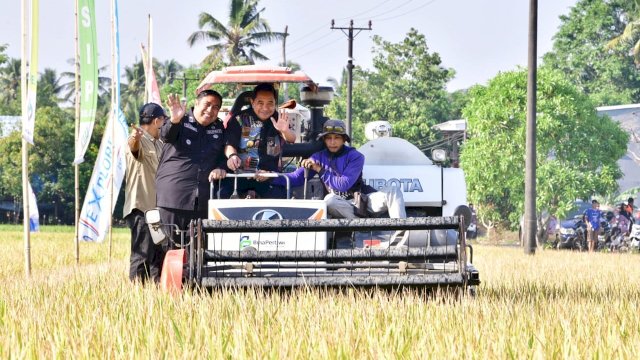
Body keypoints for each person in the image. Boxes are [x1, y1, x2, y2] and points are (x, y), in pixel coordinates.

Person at [273, 119, 406, 219]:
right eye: (329, 138)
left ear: (344, 139)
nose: (332, 142)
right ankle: (362, 228)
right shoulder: (317, 157)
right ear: (324, 140)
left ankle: (402, 234)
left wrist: (319, 169)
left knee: (393, 190)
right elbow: (295, 178)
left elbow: (343, 185)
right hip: (340, 205)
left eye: (337, 138)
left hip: (364, 202)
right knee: (329, 201)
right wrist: (269, 177)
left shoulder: (356, 156)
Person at [155, 90, 234, 242]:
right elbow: (166, 135)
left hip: (203, 201)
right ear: (196, 103)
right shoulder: (180, 120)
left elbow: (224, 156)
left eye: (216, 107)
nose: (210, 110)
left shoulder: (218, 127)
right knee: (170, 251)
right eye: (207, 104)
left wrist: (221, 168)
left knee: (199, 255)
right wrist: (174, 120)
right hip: (174, 198)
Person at [225, 83, 296, 199]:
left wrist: (285, 130)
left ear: (275, 104)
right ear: (252, 102)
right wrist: (232, 156)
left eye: (270, 103)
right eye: (260, 103)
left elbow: (292, 139)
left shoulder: (279, 119)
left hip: (269, 179)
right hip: (240, 178)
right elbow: (229, 143)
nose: (265, 108)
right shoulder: (239, 119)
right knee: (221, 194)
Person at [123, 103, 166, 283]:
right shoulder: (139, 140)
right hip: (141, 209)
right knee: (142, 255)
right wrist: (135, 137)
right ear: (157, 121)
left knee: (158, 255)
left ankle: (156, 296)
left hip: (157, 211)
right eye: (164, 121)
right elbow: (133, 147)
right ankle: (137, 297)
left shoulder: (161, 144)